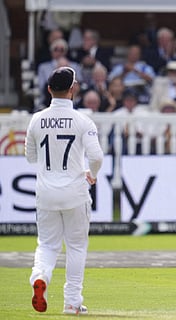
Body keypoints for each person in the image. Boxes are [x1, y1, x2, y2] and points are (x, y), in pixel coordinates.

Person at [26, 66, 104, 315]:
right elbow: (97, 156)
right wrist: (92, 173)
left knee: (47, 245)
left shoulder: (36, 119)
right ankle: (72, 301)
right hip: (75, 192)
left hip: (46, 192)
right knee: (76, 246)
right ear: (73, 89)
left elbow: (30, 157)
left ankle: (40, 277)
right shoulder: (83, 121)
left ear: (49, 89)